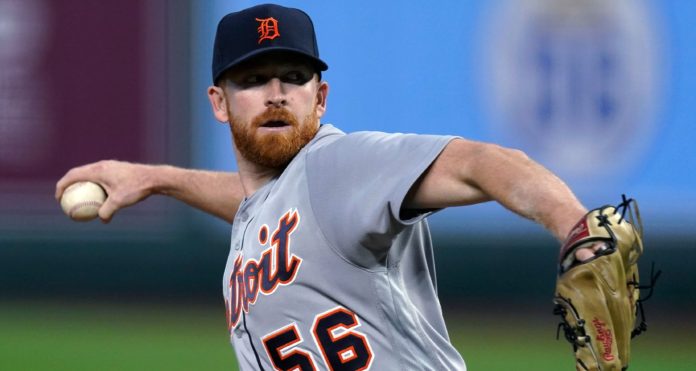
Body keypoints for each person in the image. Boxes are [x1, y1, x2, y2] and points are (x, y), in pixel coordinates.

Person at [56, 4, 604, 370]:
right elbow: (263, 208)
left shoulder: (339, 164)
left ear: (319, 99)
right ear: (219, 103)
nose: (275, 93)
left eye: (293, 78)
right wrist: (157, 179)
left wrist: (576, 229)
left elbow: (481, 162)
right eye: (252, 79)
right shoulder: (278, 207)